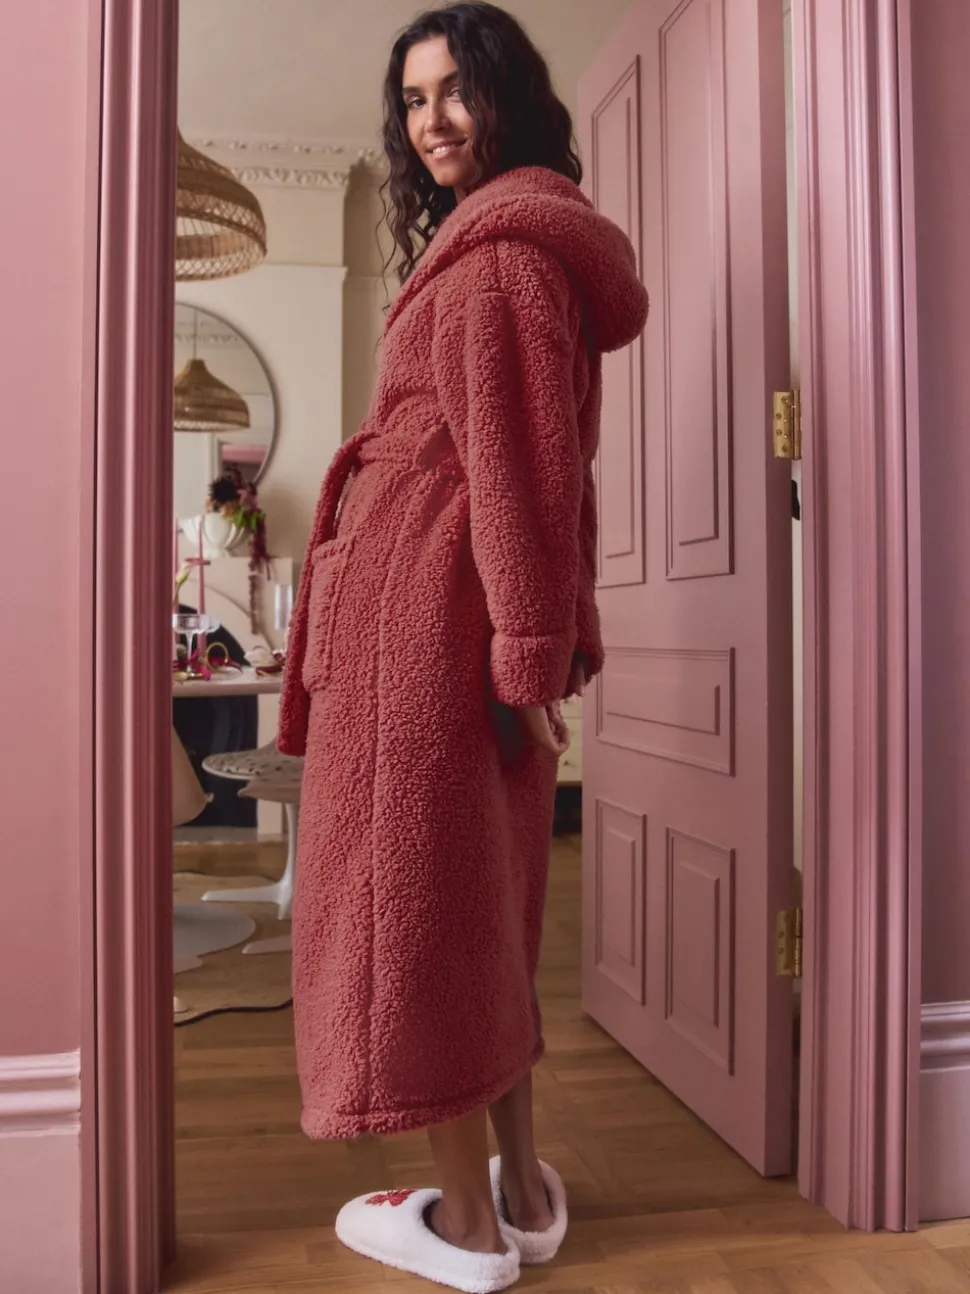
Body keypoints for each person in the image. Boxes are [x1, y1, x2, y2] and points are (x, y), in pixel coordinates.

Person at [277, 4, 648, 1289]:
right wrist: (539, 648)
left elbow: (525, 475)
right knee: (482, 908)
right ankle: (522, 1187)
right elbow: (549, 479)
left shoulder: (496, 262)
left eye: (455, 91)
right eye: (413, 98)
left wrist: (530, 655)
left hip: (424, 626)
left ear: (509, 98)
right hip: (448, 612)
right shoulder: (509, 246)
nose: (431, 121)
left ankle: (472, 1235)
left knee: (419, 921)